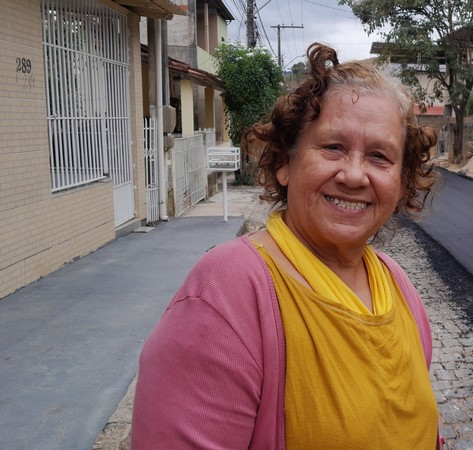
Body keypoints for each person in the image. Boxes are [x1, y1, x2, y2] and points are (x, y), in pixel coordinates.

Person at [131, 42, 442, 449]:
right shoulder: (226, 294)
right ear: (284, 162)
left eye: (380, 156)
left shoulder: (396, 286)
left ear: (400, 183)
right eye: (333, 147)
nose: (353, 175)